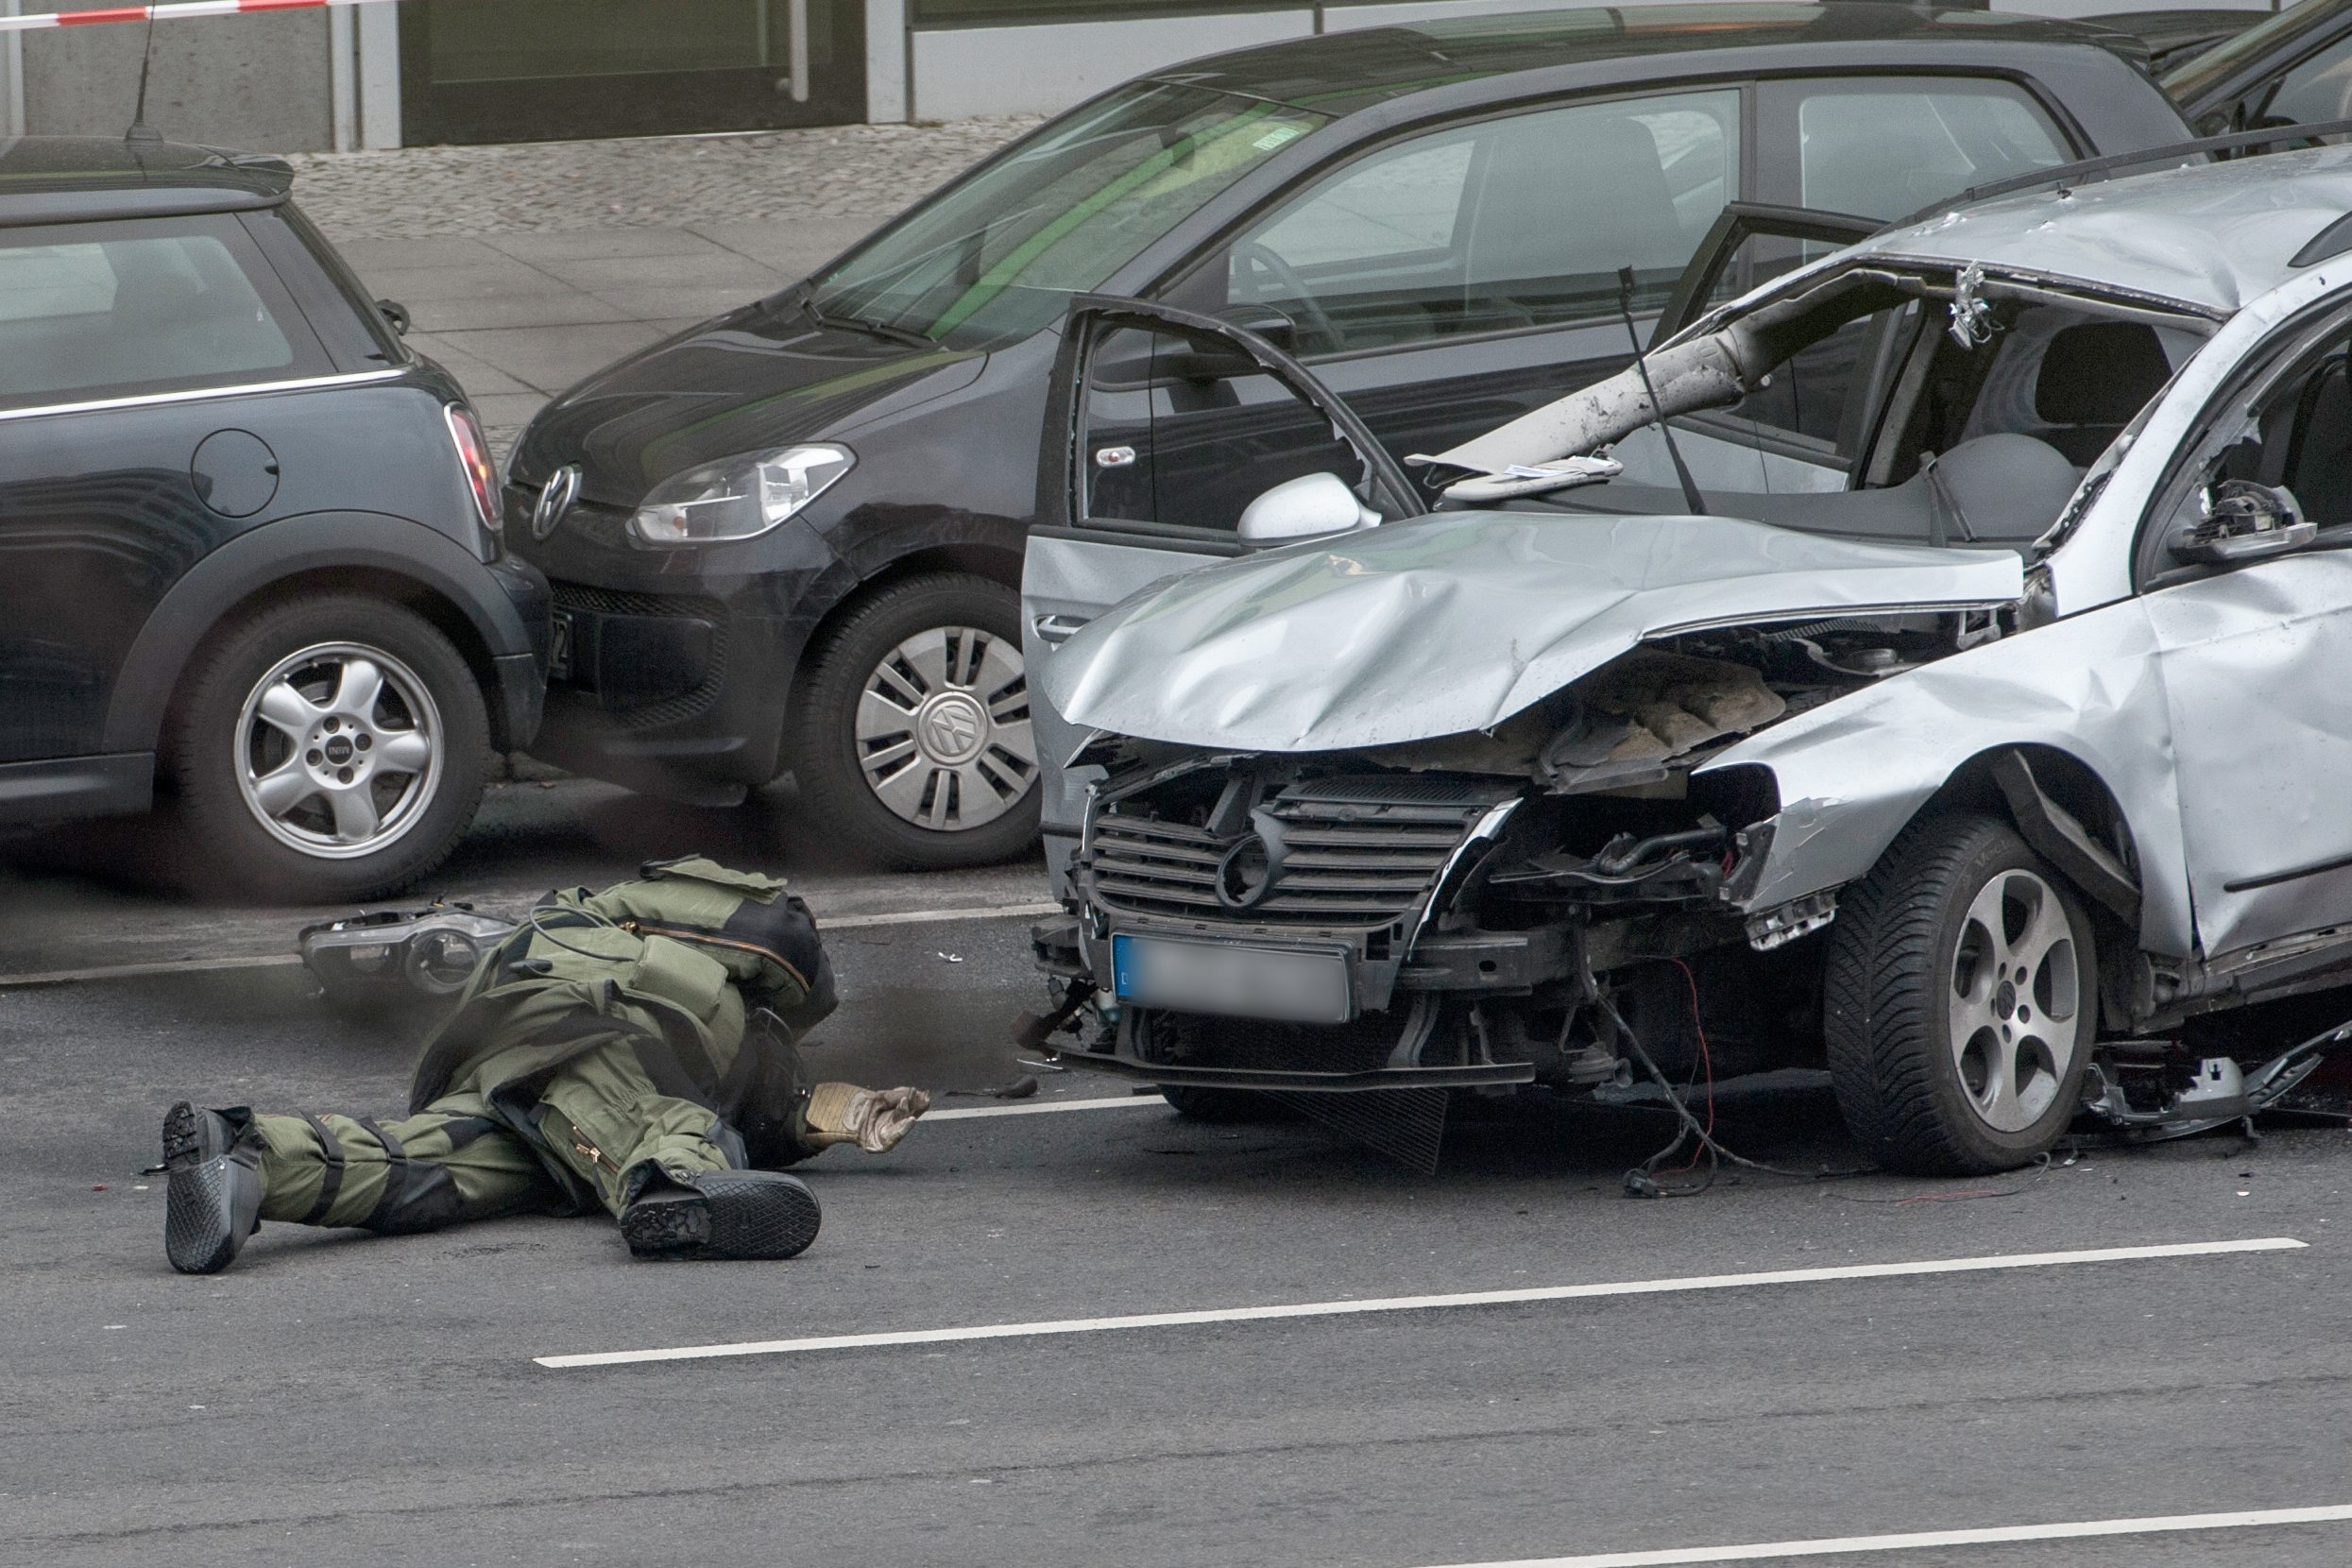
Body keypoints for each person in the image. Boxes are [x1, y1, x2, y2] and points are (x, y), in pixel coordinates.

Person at [160, 857, 929, 1273]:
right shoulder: (599, 917)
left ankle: (245, 1156)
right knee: (658, 1125)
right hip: (579, 1032)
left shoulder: (742, 1046)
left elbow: (752, 1134)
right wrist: (797, 1001)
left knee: (423, 1172)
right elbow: (777, 930)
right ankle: (666, 1189)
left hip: (516, 1095)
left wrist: (830, 1117)